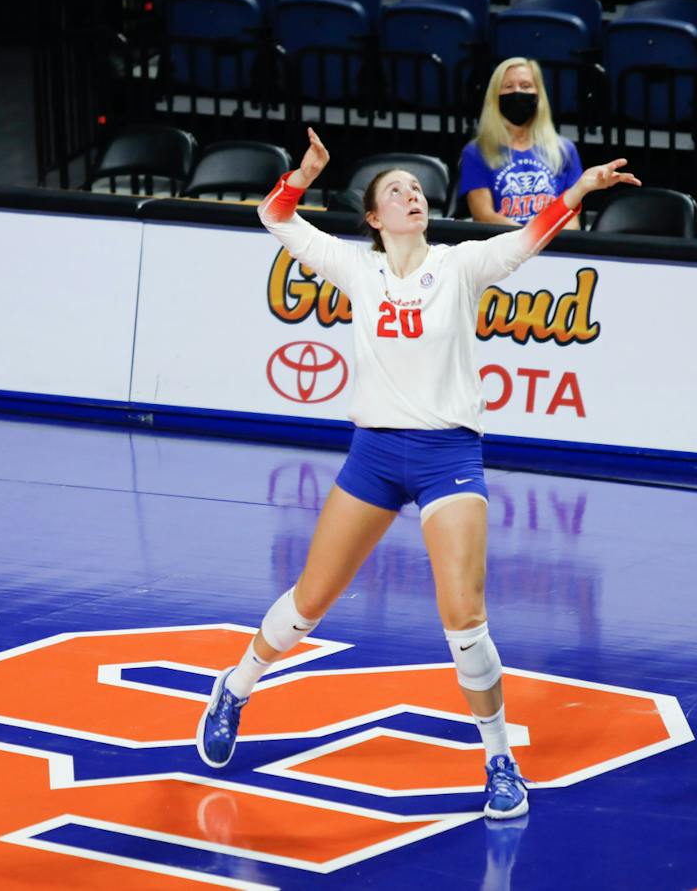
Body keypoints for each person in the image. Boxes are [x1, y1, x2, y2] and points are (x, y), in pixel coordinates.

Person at [195, 124, 640, 819]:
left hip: (448, 456)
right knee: (308, 603)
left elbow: (530, 237)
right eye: (394, 189)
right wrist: (307, 171)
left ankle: (498, 759)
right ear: (373, 217)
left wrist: (579, 187)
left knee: (464, 617)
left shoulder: (460, 265)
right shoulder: (355, 268)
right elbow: (273, 214)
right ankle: (237, 685)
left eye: (414, 188)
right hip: (373, 455)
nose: (410, 194)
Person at [459, 58, 584, 227]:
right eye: (508, 86)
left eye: (525, 86)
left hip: (553, 247)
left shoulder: (564, 150)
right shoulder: (476, 152)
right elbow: (483, 216)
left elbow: (572, 219)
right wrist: (527, 238)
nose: (517, 92)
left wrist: (540, 238)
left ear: (538, 96)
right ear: (495, 97)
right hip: (502, 246)